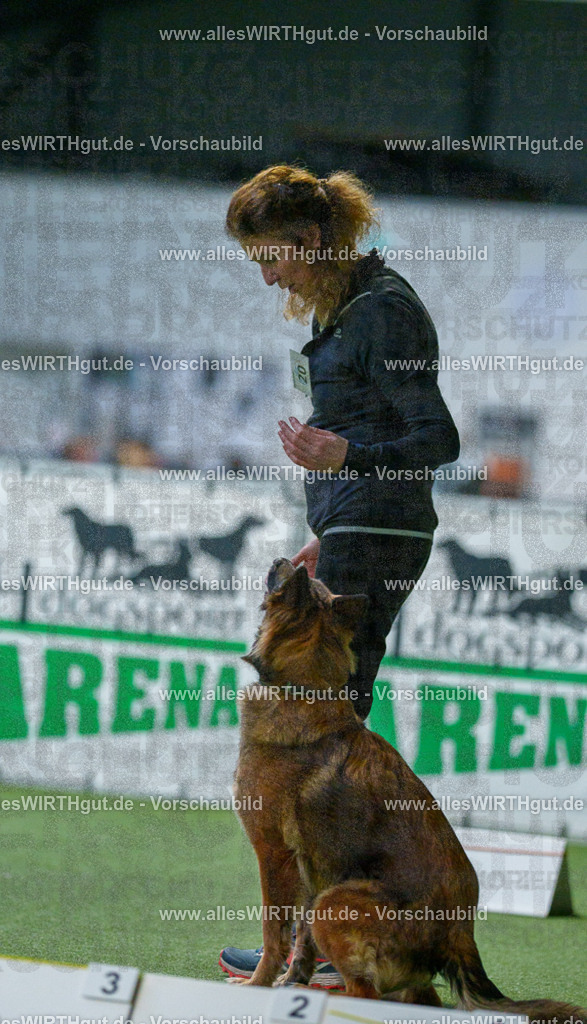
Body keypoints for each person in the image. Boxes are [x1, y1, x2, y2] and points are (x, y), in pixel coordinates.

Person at [218, 165, 460, 987]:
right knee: (323, 759)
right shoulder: (348, 306)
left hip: (378, 529)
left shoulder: (382, 311)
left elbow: (438, 440)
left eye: (271, 256)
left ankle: (316, 952)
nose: (267, 275)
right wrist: (329, 527)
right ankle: (318, 944)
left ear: (312, 239)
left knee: (319, 760)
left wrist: (346, 459)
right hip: (357, 528)